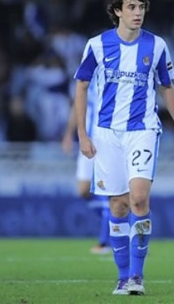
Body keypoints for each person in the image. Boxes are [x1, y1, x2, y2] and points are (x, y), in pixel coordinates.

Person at [74, 0, 174, 296]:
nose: (138, 13)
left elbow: (167, 88)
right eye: (132, 7)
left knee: (138, 198)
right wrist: (82, 134)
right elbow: (82, 87)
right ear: (117, 11)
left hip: (143, 130)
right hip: (106, 133)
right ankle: (123, 276)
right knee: (119, 205)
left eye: (141, 7)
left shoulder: (157, 46)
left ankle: (137, 276)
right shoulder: (97, 46)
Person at [61, 80, 110, 255]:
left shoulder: (112, 71)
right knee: (83, 190)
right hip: (87, 140)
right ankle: (116, 223)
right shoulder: (87, 77)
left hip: (105, 138)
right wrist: (69, 133)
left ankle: (105, 241)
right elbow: (77, 105)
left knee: (106, 189)